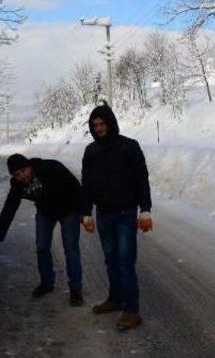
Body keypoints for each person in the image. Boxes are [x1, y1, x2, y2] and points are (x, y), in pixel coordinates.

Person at [81, 104, 153, 330]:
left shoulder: (129, 146)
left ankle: (132, 310)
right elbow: (87, 184)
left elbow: (142, 179)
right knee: (111, 261)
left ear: (110, 123)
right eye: (95, 125)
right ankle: (115, 299)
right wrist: (86, 213)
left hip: (125, 214)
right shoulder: (90, 151)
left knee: (125, 263)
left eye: (102, 124)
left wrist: (146, 210)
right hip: (103, 215)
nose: (99, 128)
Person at [0, 154, 84, 306]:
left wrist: (85, 213)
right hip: (45, 213)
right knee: (42, 247)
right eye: (17, 174)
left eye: (24, 170)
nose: (22, 176)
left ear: (29, 166)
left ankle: (76, 290)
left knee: (71, 248)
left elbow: (76, 187)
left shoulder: (51, 167)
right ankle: (47, 283)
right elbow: (8, 210)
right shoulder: (17, 184)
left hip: (68, 210)